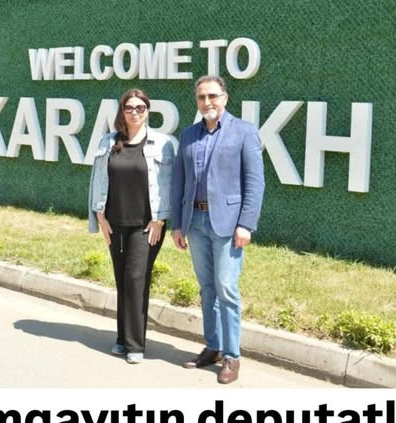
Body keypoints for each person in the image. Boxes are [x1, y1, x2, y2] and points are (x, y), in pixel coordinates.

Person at [171, 76, 265, 384]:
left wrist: (246, 224)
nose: (207, 102)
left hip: (227, 224)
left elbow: (255, 183)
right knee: (207, 288)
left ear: (225, 97)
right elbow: (179, 181)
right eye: (201, 97)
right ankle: (213, 346)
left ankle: (231, 356)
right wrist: (178, 224)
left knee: (226, 288)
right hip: (195, 222)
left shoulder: (244, 131)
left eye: (212, 96)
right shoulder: (189, 134)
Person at [88, 89, 175, 364]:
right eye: (129, 107)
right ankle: (122, 338)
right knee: (121, 280)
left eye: (140, 107)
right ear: (122, 111)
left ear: (148, 110)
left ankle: (135, 344)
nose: (134, 112)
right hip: (114, 223)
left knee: (136, 279)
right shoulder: (108, 141)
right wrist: (100, 217)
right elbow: (97, 179)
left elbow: (169, 184)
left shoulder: (162, 144)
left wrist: (160, 219)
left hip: (146, 225)